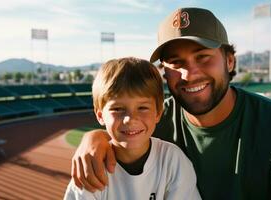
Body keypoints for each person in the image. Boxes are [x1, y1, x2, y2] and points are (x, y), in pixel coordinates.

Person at [71, 7, 271, 199]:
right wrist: (95, 138)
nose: (189, 73)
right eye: (176, 62)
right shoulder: (153, 122)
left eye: (203, 57)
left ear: (230, 60)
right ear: (164, 71)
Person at [64, 57, 201, 200]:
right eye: (117, 109)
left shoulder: (172, 160)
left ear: (158, 113)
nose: (130, 119)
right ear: (100, 115)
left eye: (142, 108)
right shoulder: (92, 169)